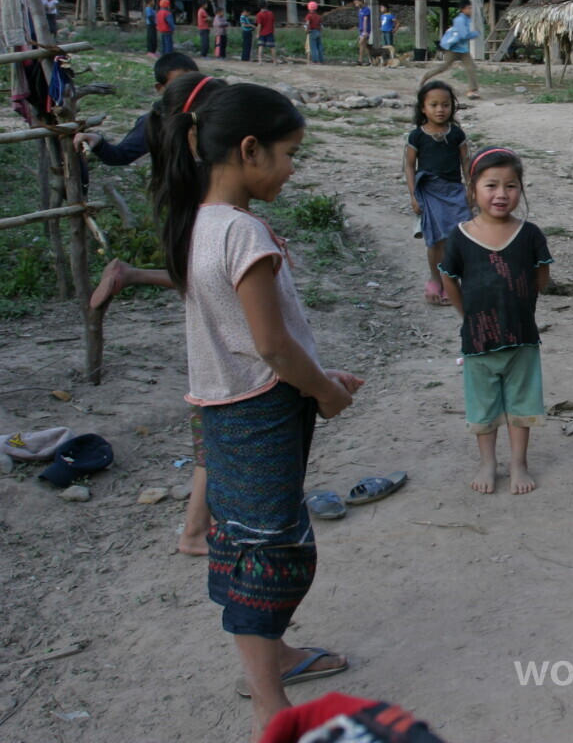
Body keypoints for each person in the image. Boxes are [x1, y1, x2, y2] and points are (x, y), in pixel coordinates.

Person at [154, 82, 361, 734]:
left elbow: (248, 337)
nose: (293, 168)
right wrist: (323, 392)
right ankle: (269, 702)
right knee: (272, 555)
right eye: (289, 152)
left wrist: (320, 374)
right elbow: (270, 345)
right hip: (263, 410)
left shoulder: (194, 220)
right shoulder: (241, 232)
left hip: (228, 404)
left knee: (251, 542)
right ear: (249, 149)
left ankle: (278, 658)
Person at [77, 63, 219, 558]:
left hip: (183, 229)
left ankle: (202, 524)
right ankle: (196, 530)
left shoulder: (164, 131)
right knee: (217, 408)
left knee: (213, 403)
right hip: (218, 350)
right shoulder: (210, 189)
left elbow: (119, 156)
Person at [440, 148, 552, 495]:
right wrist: (469, 315)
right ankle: (488, 462)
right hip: (478, 341)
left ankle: (519, 463)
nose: (501, 194)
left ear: (521, 190)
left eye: (511, 186)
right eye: (491, 185)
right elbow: (449, 279)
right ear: (473, 190)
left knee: (522, 404)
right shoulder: (460, 236)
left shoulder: (530, 234)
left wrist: (518, 304)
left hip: (522, 338)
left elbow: (541, 276)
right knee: (483, 406)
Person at [404, 80, 469, 305]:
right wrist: (413, 195)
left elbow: (465, 163)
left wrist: (471, 189)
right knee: (436, 240)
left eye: (445, 105)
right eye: (434, 105)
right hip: (429, 192)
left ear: (452, 107)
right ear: (423, 108)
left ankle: (452, 281)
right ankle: (436, 281)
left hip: (454, 191)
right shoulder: (417, 136)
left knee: (457, 237)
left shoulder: (457, 134)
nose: (440, 109)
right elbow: (410, 166)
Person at [419, 0, 480, 99]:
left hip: (463, 50)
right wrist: (476, 33)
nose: (471, 10)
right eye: (469, 8)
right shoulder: (460, 20)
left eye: (471, 8)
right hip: (453, 49)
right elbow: (464, 35)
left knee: (471, 68)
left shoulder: (468, 19)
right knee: (443, 67)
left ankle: (472, 90)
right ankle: (425, 77)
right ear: (463, 9)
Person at [256, 0, 278, 64]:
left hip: (262, 33)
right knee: (272, 47)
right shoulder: (271, 13)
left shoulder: (259, 14)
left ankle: (260, 61)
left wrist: (258, 33)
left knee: (260, 46)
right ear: (266, 5)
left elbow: (259, 25)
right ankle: (275, 61)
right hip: (270, 32)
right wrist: (274, 31)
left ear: (258, 6)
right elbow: (273, 23)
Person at [355, 0, 373, 66]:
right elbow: (361, 21)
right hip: (361, 30)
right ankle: (370, 60)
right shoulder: (360, 10)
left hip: (366, 30)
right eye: (355, 3)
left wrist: (365, 31)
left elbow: (365, 21)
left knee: (361, 43)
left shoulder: (366, 10)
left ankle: (360, 60)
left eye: (357, 3)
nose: (356, 4)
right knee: (363, 45)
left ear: (361, 1)